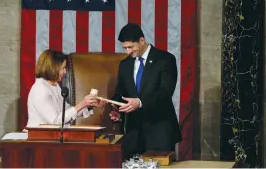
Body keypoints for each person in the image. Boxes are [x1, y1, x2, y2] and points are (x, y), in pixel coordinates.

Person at [109, 23, 182, 160]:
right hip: (133, 134)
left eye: (131, 47)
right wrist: (116, 108)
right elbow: (120, 92)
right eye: (125, 48)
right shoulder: (125, 64)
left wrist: (140, 102)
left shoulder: (165, 60)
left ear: (141, 41)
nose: (128, 52)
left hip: (159, 132)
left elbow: (165, 93)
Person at [25, 49, 104, 128]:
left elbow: (66, 111)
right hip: (37, 138)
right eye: (63, 68)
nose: (65, 71)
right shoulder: (40, 90)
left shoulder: (55, 85)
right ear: (52, 68)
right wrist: (81, 104)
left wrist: (88, 105)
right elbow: (55, 121)